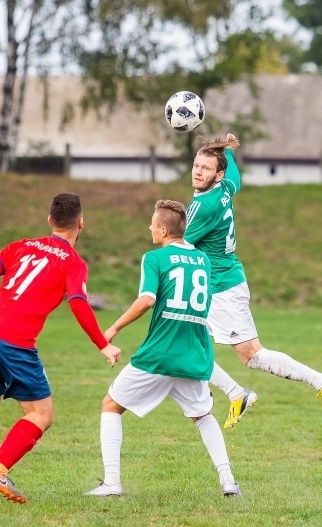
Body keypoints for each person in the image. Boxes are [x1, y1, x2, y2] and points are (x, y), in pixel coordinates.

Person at [0, 193, 122, 503]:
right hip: (14, 342)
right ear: (81, 223)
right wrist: (102, 343)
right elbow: (79, 303)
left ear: (49, 221)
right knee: (41, 414)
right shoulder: (73, 262)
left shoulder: (22, 245)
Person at [84, 200, 241, 498]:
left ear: (164, 230)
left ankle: (112, 483)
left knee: (110, 405)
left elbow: (146, 299)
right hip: (193, 353)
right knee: (203, 415)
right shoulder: (203, 260)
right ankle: (228, 481)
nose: (150, 228)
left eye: (153, 224)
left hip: (160, 353)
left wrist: (114, 328)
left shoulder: (154, 258)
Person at [185, 133, 322, 430]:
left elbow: (180, 245)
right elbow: (236, 180)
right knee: (187, 346)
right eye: (195, 165)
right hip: (211, 287)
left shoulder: (205, 206)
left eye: (205, 168)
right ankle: (235, 394)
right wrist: (227, 152)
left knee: (252, 356)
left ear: (215, 176)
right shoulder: (223, 188)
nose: (197, 171)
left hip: (222, 289)